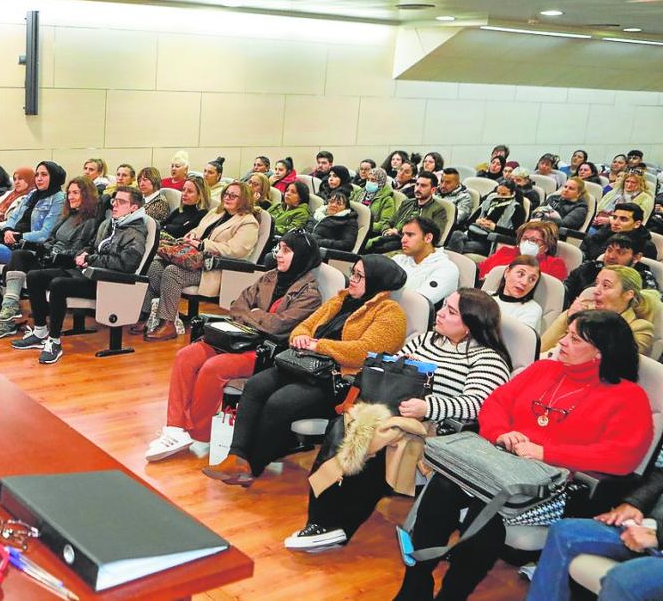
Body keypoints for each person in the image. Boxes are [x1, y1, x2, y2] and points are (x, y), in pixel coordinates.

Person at [394, 310, 653, 601]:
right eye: (566, 333)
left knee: (487, 513)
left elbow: (622, 456)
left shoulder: (628, 397)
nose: (563, 341)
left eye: (575, 338)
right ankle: (415, 586)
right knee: (443, 486)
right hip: (500, 462)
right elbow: (495, 403)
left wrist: (547, 452)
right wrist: (500, 432)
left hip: (553, 485)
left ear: (600, 352)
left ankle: (452, 594)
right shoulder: (545, 370)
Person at [287, 289, 513, 551]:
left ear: (472, 325)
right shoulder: (426, 340)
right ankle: (319, 520)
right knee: (339, 428)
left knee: (378, 445)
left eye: (451, 312)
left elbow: (478, 405)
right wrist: (400, 364)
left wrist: (429, 406)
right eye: (444, 306)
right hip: (391, 412)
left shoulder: (487, 359)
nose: (439, 313)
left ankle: (338, 525)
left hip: (432, 428)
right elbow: (393, 369)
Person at [201, 256, 409, 487]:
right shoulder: (342, 299)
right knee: (256, 386)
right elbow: (305, 326)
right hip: (305, 364)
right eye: (353, 272)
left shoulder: (390, 314)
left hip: (338, 380)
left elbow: (365, 352)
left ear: (377, 282)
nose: (352, 279)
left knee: (280, 402)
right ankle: (236, 456)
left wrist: (319, 345)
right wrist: (301, 337)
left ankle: (251, 465)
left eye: (360, 276)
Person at [146, 230, 324, 461]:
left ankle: (197, 432)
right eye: (278, 249)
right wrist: (256, 316)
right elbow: (237, 305)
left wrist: (252, 314)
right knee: (186, 356)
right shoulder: (269, 276)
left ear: (301, 256)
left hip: (264, 350)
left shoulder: (310, 294)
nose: (278, 254)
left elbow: (279, 326)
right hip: (237, 338)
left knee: (214, 368)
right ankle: (174, 428)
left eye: (286, 251)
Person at [11, 187, 150, 365]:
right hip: (87, 273)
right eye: (114, 200)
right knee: (34, 276)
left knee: (58, 284)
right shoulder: (109, 224)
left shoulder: (135, 234)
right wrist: (83, 254)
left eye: (121, 202)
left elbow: (126, 264)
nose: (114, 205)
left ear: (134, 207)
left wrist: (91, 259)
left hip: (106, 283)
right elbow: (92, 245)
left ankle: (54, 342)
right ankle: (40, 331)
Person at [0, 177, 101, 340]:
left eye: (75, 193)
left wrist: (51, 250)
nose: (70, 197)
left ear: (87, 195)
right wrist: (44, 248)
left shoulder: (90, 221)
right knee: (19, 255)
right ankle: (9, 308)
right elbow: (51, 238)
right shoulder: (69, 215)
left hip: (62, 264)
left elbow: (77, 250)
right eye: (69, 193)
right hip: (49, 258)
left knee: (21, 264)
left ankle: (8, 318)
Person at [525, 464, 663, 601]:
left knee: (623, 580)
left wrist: (658, 536)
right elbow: (660, 474)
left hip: (656, 537)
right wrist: (635, 503)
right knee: (564, 531)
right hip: (650, 526)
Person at [143, 182, 260, 342]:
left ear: (244, 199)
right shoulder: (216, 212)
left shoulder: (248, 222)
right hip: (193, 260)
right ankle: (151, 317)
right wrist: (191, 237)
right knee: (155, 266)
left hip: (215, 269)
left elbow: (236, 250)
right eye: (226, 194)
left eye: (233, 195)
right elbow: (198, 230)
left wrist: (203, 245)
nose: (227, 198)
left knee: (172, 272)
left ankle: (168, 323)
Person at [0, 161, 66, 283]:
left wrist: (18, 236)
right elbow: (14, 216)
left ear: (54, 177)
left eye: (44, 175)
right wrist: (7, 230)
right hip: (12, 238)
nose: (39, 178)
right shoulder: (33, 194)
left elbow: (45, 233)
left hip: (29, 245)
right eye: (37, 175)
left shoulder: (58, 199)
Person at [544, 264, 658, 355]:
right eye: (597, 283)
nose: (596, 291)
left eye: (606, 286)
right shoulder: (583, 311)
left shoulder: (641, 329)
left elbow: (612, 363)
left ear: (628, 294)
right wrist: (568, 318)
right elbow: (543, 347)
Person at [564, 233, 659, 307]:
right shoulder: (590, 267)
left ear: (637, 257)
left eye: (621, 253)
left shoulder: (644, 280)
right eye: (609, 250)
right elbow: (564, 292)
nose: (611, 256)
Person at [364, 171, 448, 254]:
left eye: (423, 186)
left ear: (433, 190)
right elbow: (389, 222)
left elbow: (434, 236)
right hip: (390, 238)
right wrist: (386, 231)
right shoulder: (407, 203)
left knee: (379, 249)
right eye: (417, 184)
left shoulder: (438, 210)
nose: (418, 189)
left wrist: (399, 232)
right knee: (368, 245)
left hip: (411, 245)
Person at [446, 178, 524, 256]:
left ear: (512, 193)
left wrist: (494, 227)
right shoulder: (490, 200)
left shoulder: (517, 208)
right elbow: (469, 221)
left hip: (489, 242)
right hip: (473, 233)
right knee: (456, 234)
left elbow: (516, 234)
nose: (499, 196)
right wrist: (478, 221)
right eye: (498, 193)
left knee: (455, 245)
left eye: (504, 194)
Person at [392, 217, 460, 305]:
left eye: (410, 235)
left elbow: (418, 303)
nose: (403, 240)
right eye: (403, 235)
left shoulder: (447, 269)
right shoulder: (398, 259)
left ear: (428, 238)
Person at [477, 220, 568, 281]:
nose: (527, 243)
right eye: (524, 239)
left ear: (546, 246)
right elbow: (479, 271)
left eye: (533, 240)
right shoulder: (505, 252)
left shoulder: (555, 265)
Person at [582, 202, 656, 262]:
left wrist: (588, 240)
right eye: (614, 217)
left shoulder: (646, 246)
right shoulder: (607, 229)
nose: (615, 222)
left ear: (637, 224)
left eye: (623, 219)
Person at [491, 255, 544, 331]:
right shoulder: (485, 297)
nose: (525, 282)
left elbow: (516, 340)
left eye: (532, 279)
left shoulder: (532, 309)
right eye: (521, 274)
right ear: (507, 272)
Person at [352, 167, 397, 238]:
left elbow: (384, 223)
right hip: (352, 227)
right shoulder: (359, 193)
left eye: (373, 180)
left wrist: (363, 225)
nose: (369, 182)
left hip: (369, 233)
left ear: (380, 182)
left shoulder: (387, 200)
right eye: (368, 179)